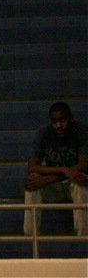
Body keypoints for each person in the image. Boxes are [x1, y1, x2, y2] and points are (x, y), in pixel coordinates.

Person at [23, 101, 87, 237]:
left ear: (70, 118)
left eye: (63, 120)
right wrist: (64, 170)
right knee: (32, 186)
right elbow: (32, 166)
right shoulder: (43, 133)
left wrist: (47, 178)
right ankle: (31, 238)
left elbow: (82, 166)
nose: (58, 125)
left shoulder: (81, 131)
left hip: (74, 183)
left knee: (80, 184)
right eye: (54, 121)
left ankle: (83, 237)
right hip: (54, 186)